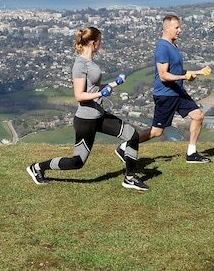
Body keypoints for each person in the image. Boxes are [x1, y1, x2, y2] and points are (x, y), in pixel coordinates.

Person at [26, 26, 149, 191]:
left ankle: (129, 178)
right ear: (93, 42)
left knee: (132, 135)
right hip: (86, 120)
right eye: (100, 41)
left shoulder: (90, 62)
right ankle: (37, 168)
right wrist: (101, 93)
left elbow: (93, 88)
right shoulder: (80, 65)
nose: (100, 44)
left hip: (99, 115)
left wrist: (113, 83)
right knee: (77, 162)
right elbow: (79, 95)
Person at [123, 14, 211, 163]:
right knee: (157, 132)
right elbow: (163, 76)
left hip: (177, 92)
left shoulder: (173, 46)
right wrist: (185, 77)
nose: (180, 30)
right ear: (167, 29)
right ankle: (125, 146)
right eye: (177, 27)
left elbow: (176, 72)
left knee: (198, 115)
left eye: (179, 27)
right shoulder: (163, 48)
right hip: (165, 95)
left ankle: (191, 153)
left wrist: (197, 72)